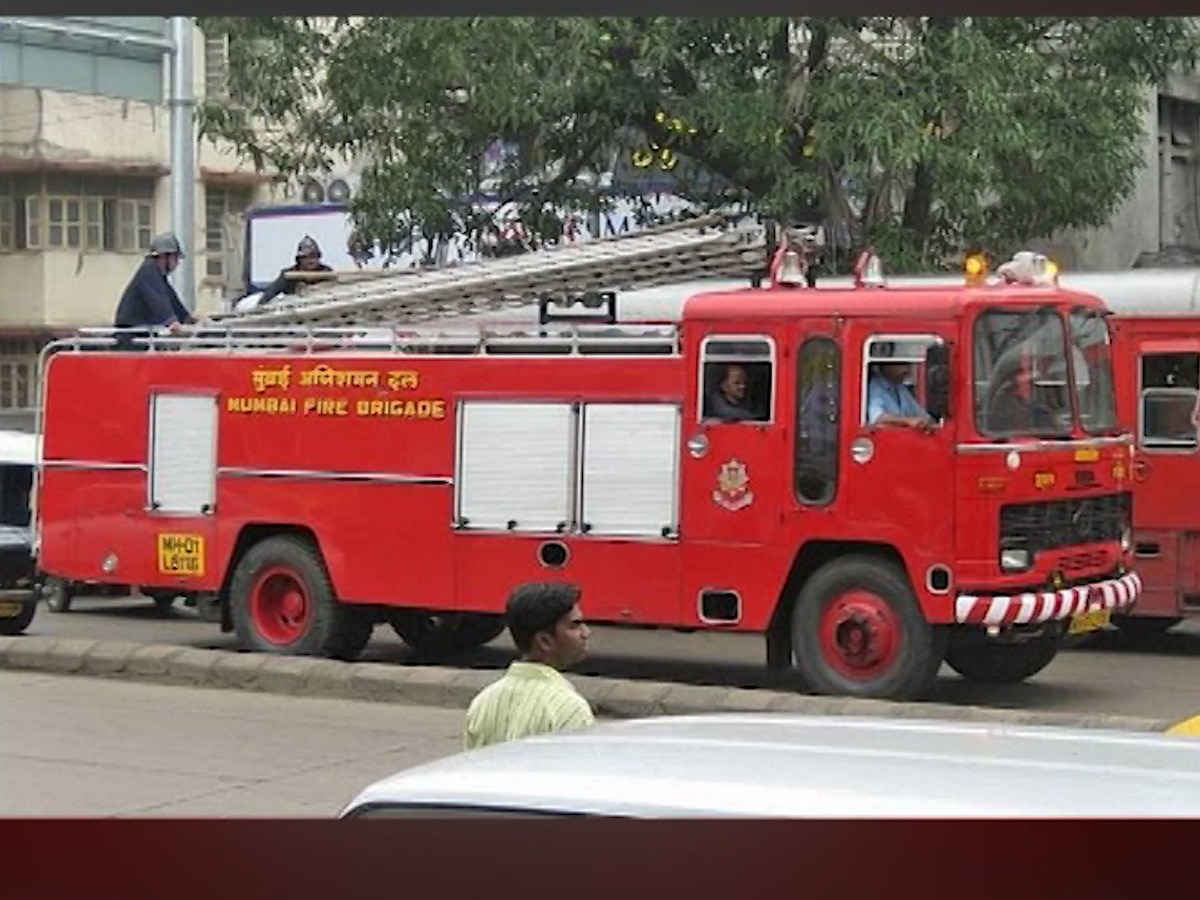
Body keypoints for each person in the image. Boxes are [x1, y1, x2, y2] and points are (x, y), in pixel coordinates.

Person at [463, 582, 595, 750]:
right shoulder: (569, 709)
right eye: (575, 625)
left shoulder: (482, 703)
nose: (586, 633)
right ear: (545, 641)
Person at [112, 232, 196, 348]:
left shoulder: (158, 275)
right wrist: (172, 322)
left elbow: (172, 300)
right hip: (131, 339)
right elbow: (158, 301)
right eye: (175, 258)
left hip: (142, 336)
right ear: (164, 256)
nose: (177, 263)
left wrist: (190, 320)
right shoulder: (149, 272)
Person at [255, 236, 334, 306]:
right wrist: (260, 305)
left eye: (313, 256)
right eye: (305, 257)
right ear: (299, 259)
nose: (310, 260)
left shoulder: (327, 273)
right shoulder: (288, 275)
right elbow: (270, 294)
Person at [866, 360, 932, 430]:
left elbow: (921, 414)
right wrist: (907, 421)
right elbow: (876, 418)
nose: (907, 370)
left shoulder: (900, 387)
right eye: (902, 365)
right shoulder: (875, 387)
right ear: (886, 366)